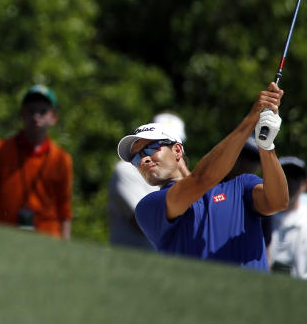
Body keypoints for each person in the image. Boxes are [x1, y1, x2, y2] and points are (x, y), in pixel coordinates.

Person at [118, 82, 289, 270]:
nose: (143, 160)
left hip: (253, 299)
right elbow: (202, 180)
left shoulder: (241, 186)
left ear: (177, 150)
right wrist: (251, 119)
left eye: (150, 149)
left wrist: (266, 146)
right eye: (135, 158)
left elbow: (278, 202)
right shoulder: (149, 207)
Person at [0, 85, 73, 238]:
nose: (36, 116)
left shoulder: (61, 158)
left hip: (48, 238)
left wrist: (66, 246)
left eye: (43, 111)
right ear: (22, 114)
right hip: (5, 234)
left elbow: (64, 209)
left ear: (53, 117)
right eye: (31, 110)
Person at [108, 112, 185, 249]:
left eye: (153, 148)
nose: (144, 158)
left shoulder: (188, 181)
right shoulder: (126, 169)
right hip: (130, 264)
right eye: (136, 154)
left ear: (177, 150)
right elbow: (148, 224)